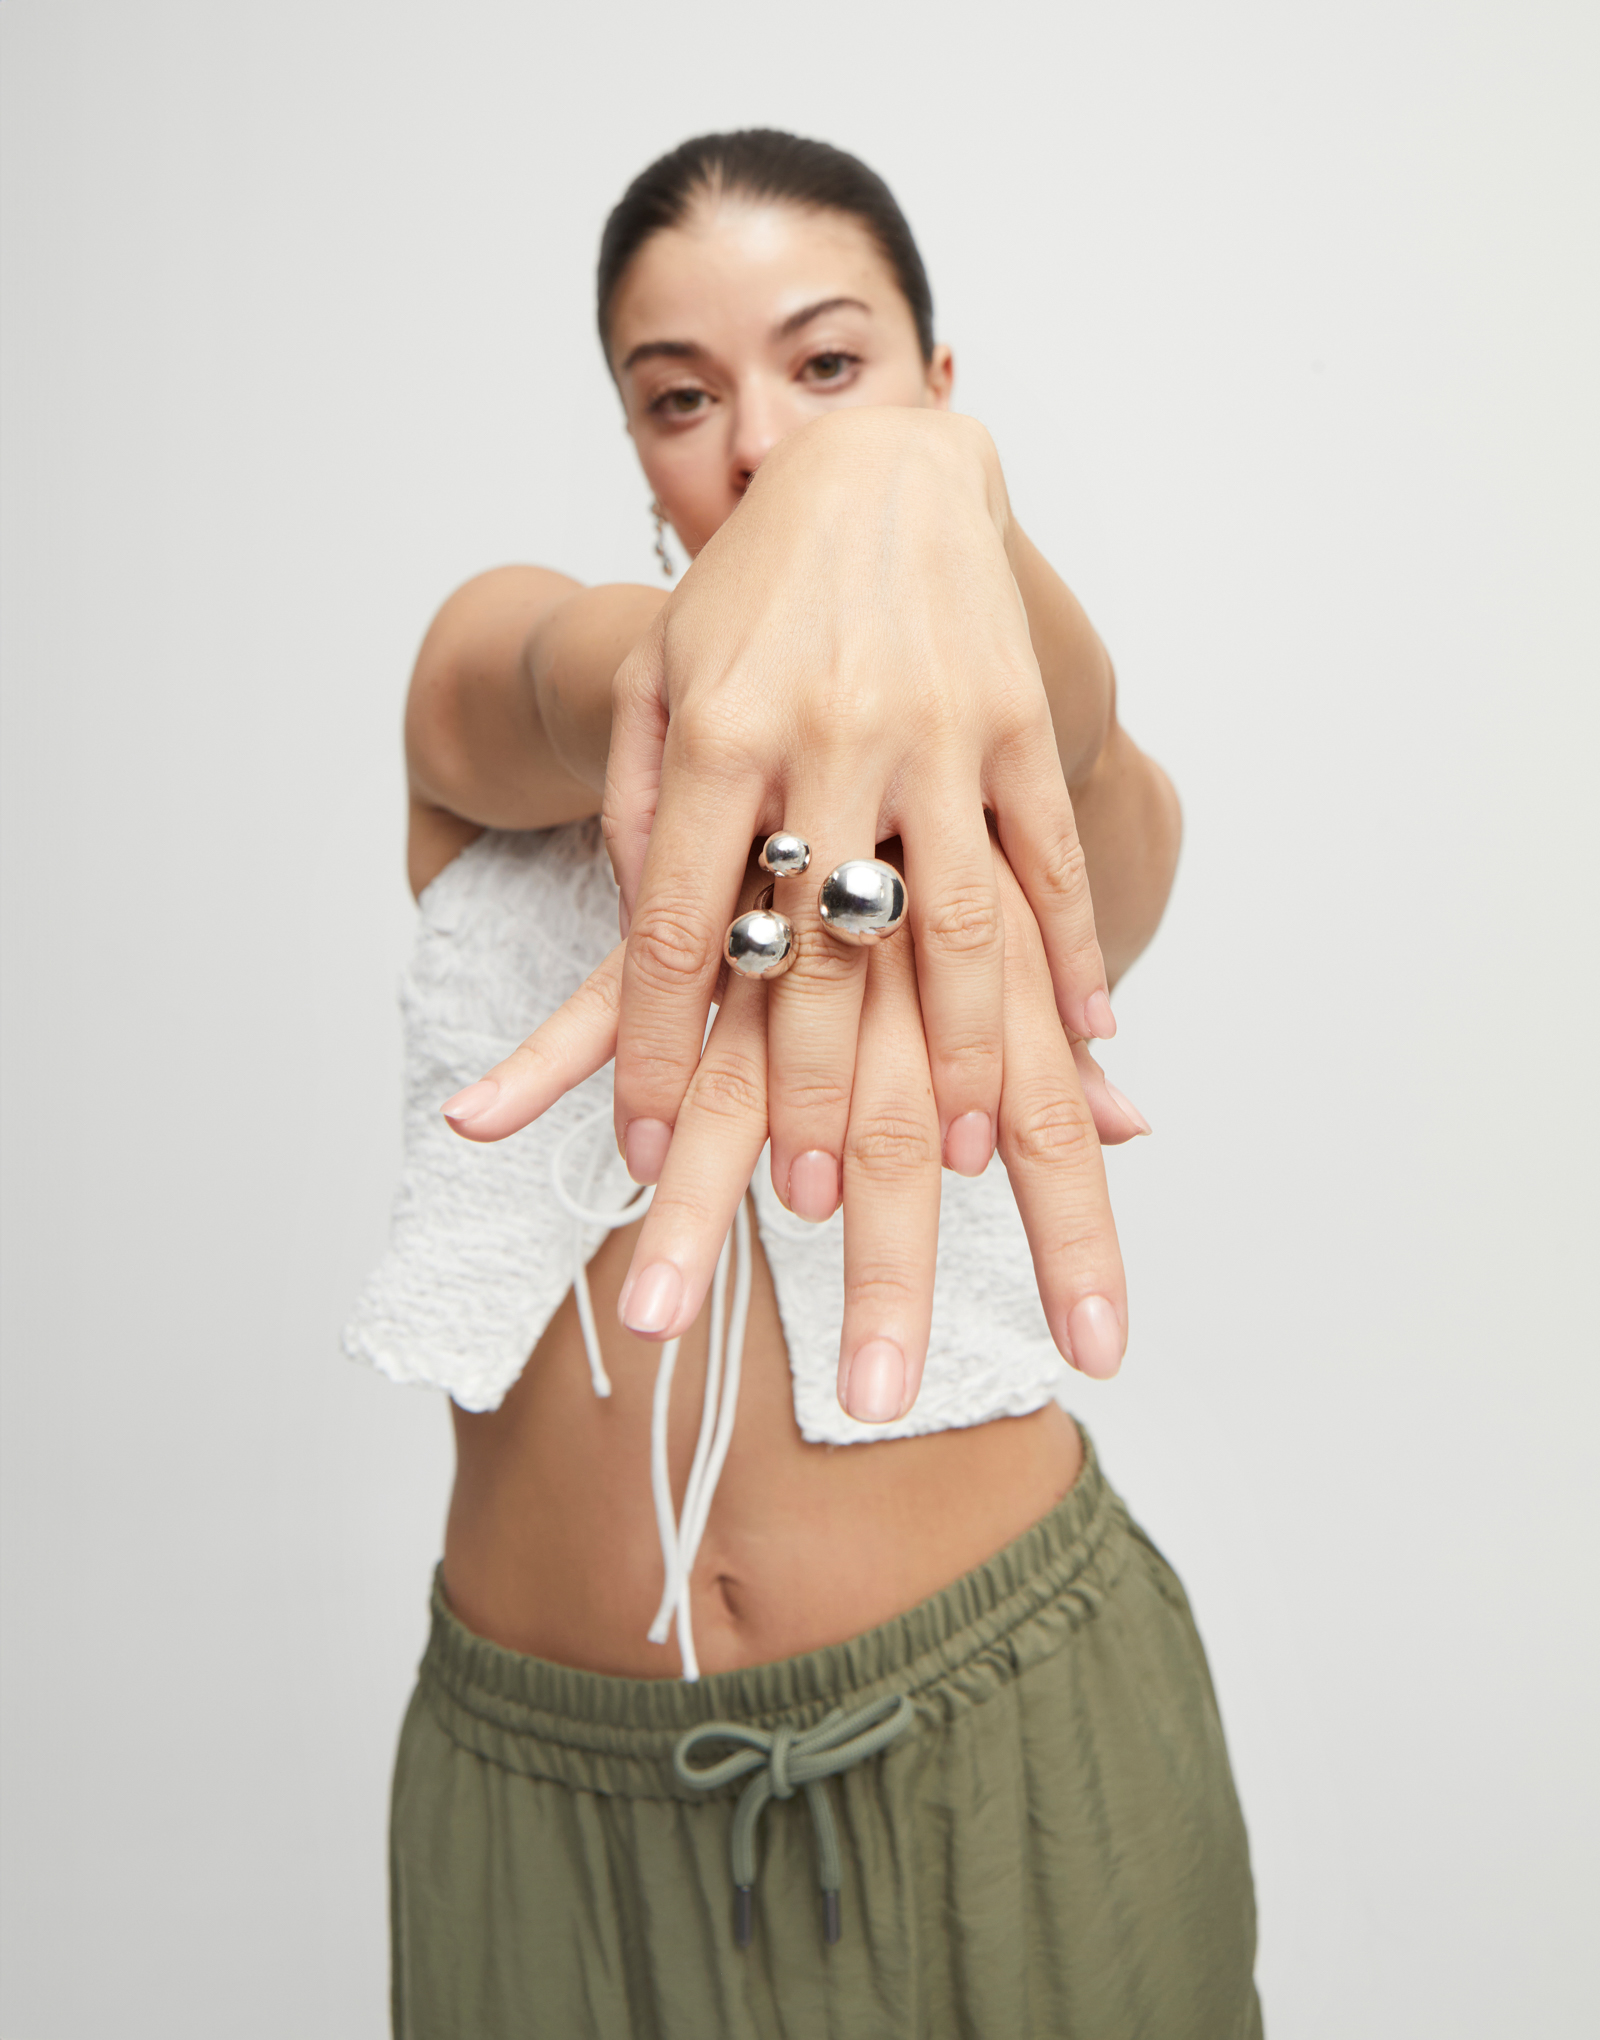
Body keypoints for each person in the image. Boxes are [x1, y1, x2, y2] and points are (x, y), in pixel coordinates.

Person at [346, 129, 1260, 2038]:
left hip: (1009, 1757)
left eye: (829, 370)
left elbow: (1088, 759)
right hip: (540, 1806)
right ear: (636, 449)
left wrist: (935, 502)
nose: (762, 442)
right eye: (681, 397)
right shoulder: (496, 684)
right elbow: (557, 673)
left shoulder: (1042, 806)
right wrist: (838, 514)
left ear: (947, 392)